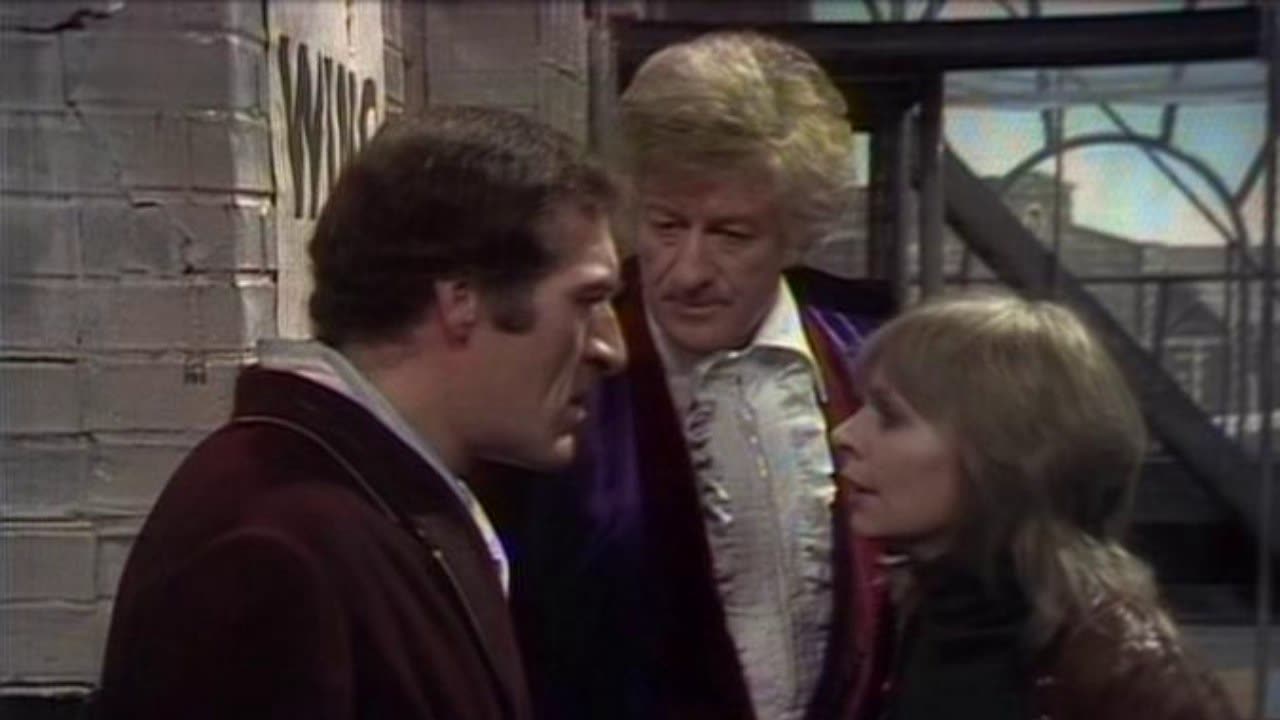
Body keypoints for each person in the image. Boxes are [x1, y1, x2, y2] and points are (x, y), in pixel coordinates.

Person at [96, 106, 627, 720]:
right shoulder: (275, 549)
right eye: (586, 300)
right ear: (461, 301)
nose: (611, 349)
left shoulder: (373, 501)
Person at [481, 31, 893, 720]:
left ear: (795, 235)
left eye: (731, 235)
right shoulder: (559, 366)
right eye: (667, 226)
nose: (689, 270)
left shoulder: (869, 363)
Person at [829, 293, 1241, 720]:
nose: (844, 434)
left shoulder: (1123, 664)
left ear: (1001, 452)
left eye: (890, 416)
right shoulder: (915, 614)